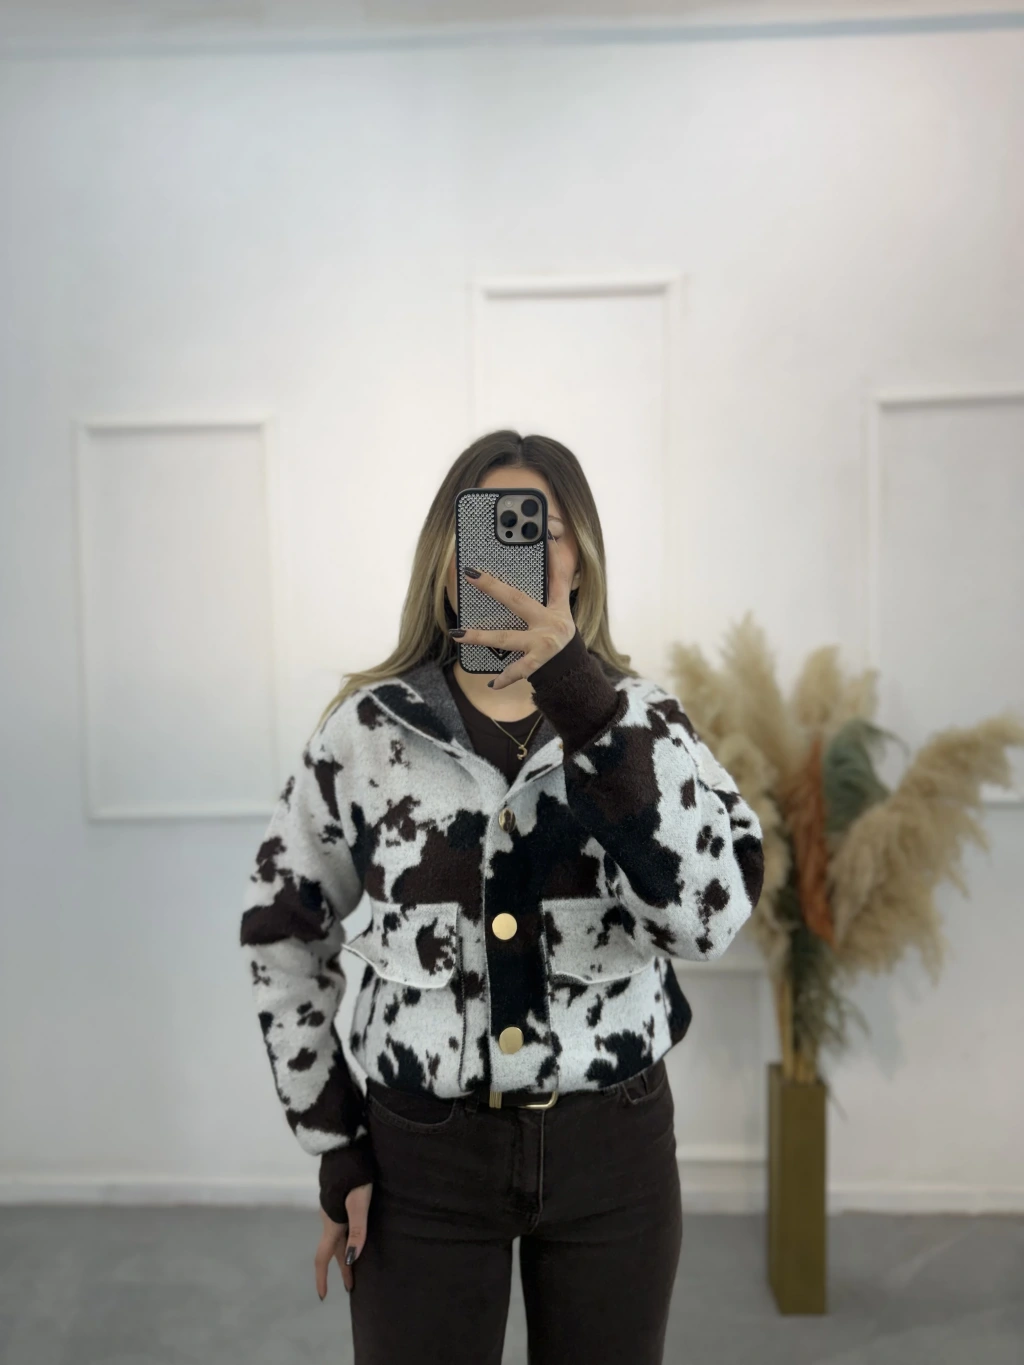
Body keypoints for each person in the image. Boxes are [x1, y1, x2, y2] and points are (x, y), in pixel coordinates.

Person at [239, 429, 764, 1364]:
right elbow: (283, 929)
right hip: (423, 1156)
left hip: (615, 1145)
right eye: (486, 529)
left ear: (580, 559)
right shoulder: (368, 732)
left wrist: (588, 707)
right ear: (447, 559)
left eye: (544, 530)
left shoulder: (642, 722)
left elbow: (710, 917)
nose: (515, 554)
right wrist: (334, 1138)